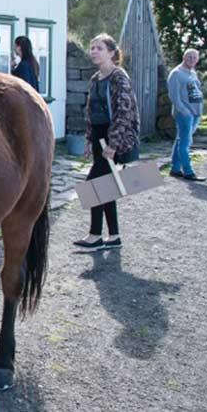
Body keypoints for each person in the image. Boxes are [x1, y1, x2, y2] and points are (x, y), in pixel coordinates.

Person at [74, 33, 140, 251]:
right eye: (92, 48)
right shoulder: (95, 79)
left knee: (93, 185)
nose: (94, 51)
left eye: (99, 48)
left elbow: (124, 112)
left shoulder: (118, 77)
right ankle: (114, 236)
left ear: (112, 53)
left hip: (113, 138)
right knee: (106, 186)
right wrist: (88, 139)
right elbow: (90, 111)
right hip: (98, 136)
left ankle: (95, 236)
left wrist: (113, 144)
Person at [168, 48, 206, 181]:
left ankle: (175, 169)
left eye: (194, 57)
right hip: (185, 114)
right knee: (186, 143)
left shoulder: (192, 72)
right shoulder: (176, 73)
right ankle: (188, 172)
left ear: (197, 60)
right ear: (184, 57)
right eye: (189, 57)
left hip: (195, 113)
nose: (192, 59)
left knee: (181, 140)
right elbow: (174, 96)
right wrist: (184, 111)